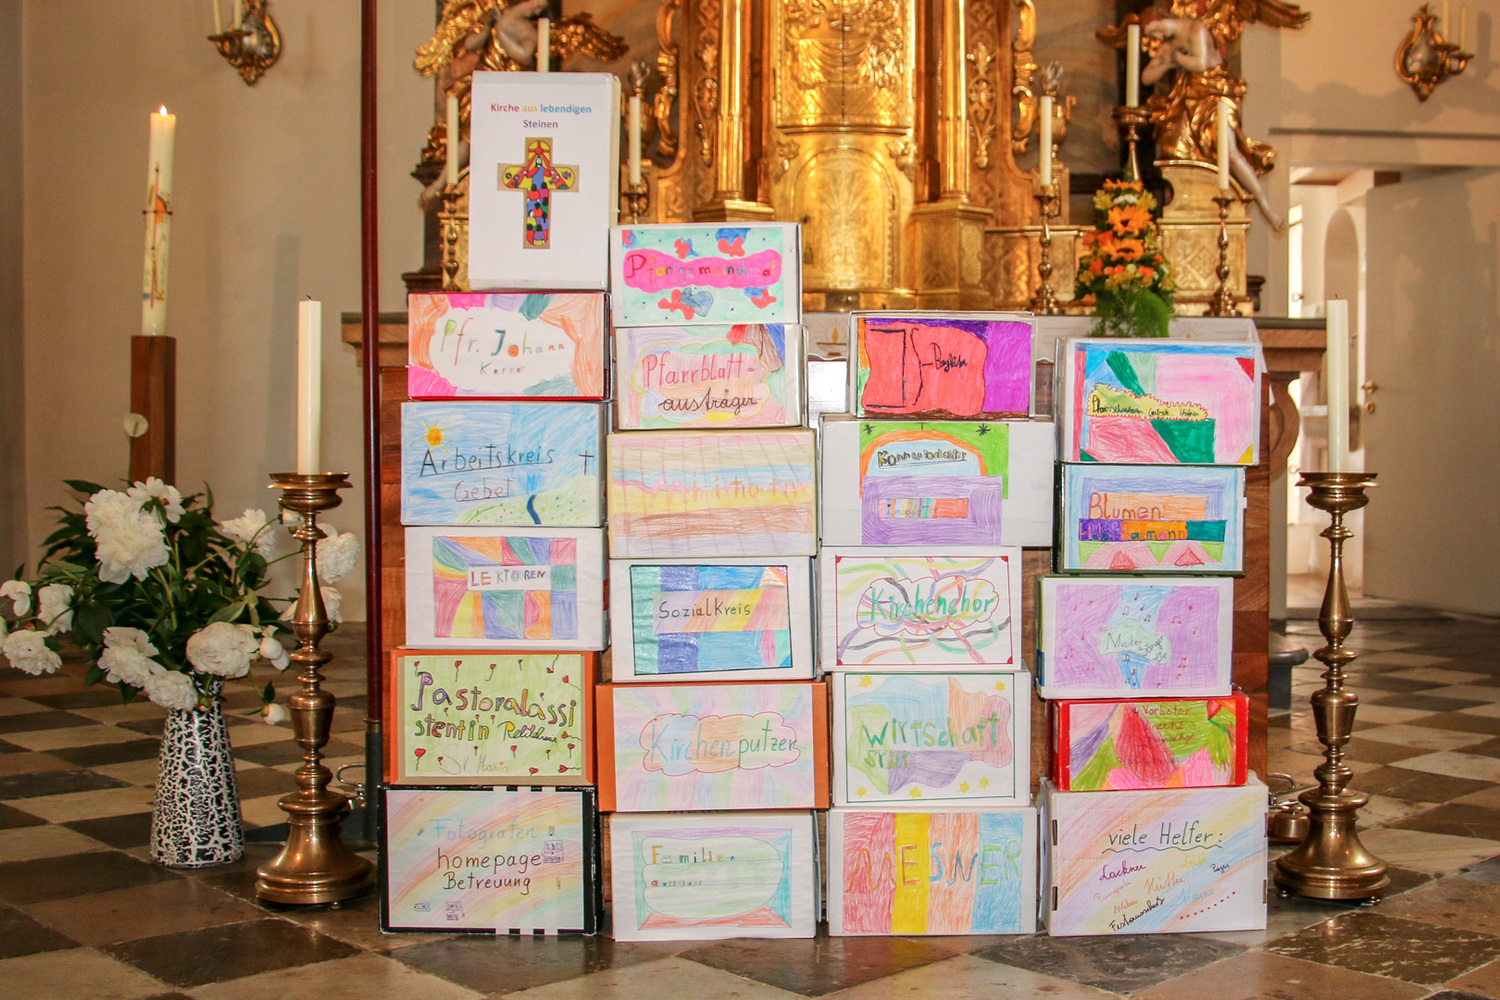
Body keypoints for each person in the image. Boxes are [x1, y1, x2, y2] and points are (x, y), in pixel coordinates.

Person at [1140, 12, 1284, 228]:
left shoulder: (1195, 29)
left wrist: (1174, 58)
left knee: (1229, 154)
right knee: (1173, 149)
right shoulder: (1170, 44)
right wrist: (1165, 63)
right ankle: (1189, 205)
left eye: (1155, 30)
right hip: (1188, 100)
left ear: (1160, 19)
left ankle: (1265, 206)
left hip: (1215, 97)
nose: (1157, 37)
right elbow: (1146, 77)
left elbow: (1201, 63)